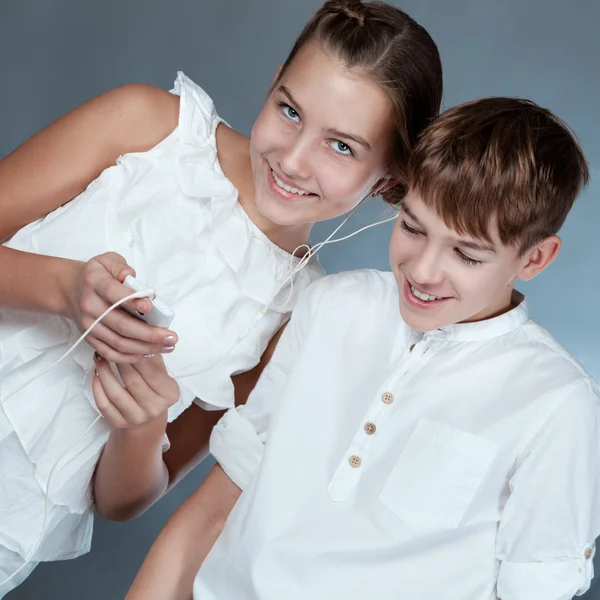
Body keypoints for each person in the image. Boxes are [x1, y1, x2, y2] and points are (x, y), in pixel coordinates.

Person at [0, 0, 443, 595]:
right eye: (289, 110)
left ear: (390, 178)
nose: (292, 159)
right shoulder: (148, 126)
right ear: (271, 87)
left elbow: (119, 502)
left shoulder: (295, 317)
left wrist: (141, 426)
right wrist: (62, 287)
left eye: (342, 147)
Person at [128, 96, 599, 600]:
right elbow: (216, 506)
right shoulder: (331, 304)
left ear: (535, 258)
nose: (422, 271)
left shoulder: (559, 404)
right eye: (413, 228)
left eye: (466, 253)